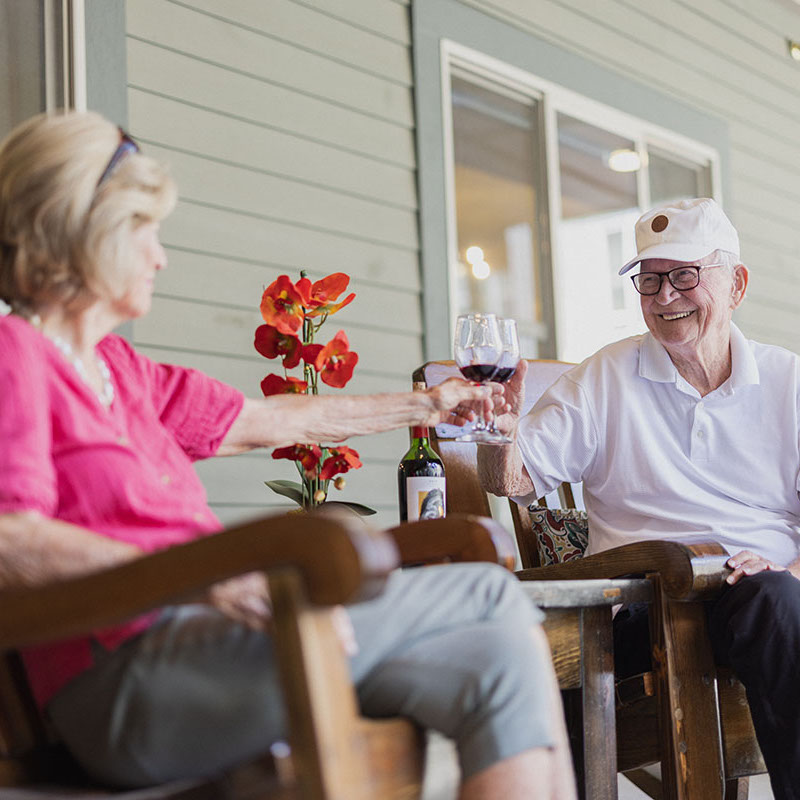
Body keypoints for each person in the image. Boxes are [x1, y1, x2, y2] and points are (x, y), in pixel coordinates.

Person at [0, 111, 575, 800]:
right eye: (144, 231)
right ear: (84, 232)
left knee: (498, 656)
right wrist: (201, 578)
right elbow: (11, 538)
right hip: (129, 681)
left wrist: (428, 404)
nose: (160, 256)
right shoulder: (16, 358)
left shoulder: (118, 370)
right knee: (486, 589)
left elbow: (272, 419)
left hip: (217, 652)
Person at [479, 195, 800, 800]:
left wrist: (786, 569)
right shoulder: (605, 377)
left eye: (684, 276)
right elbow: (513, 481)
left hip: (761, 595)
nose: (665, 296)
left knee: (779, 599)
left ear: (736, 284)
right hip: (641, 604)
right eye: (649, 281)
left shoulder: (790, 384)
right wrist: (500, 435)